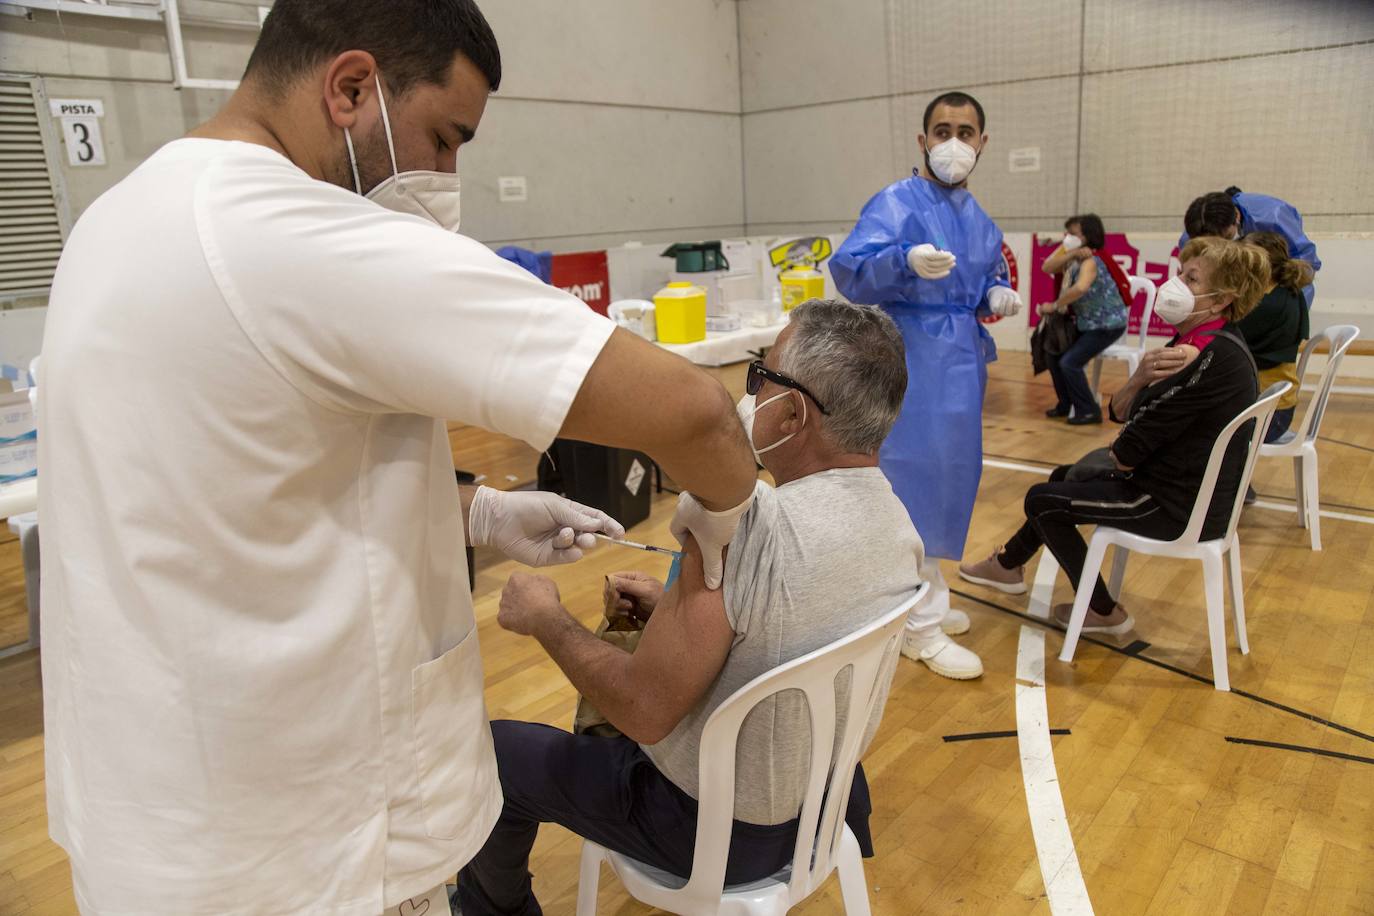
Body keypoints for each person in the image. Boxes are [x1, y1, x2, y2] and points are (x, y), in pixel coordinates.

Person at [37, 3, 757, 914]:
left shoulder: (115, 221)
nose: (447, 175)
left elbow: (233, 481)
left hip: (156, 819)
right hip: (307, 842)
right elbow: (697, 413)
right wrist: (725, 519)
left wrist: (480, 511)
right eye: (444, 138)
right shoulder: (298, 235)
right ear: (351, 89)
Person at [456, 301, 922, 915]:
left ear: (792, 412)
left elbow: (644, 711)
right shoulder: (899, 527)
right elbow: (794, 627)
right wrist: (677, 612)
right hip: (825, 807)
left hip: (716, 833)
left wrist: (546, 618)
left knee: (493, 753)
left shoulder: (743, 527)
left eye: (762, 376)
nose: (751, 393)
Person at [958, 237, 1267, 631]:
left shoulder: (1203, 358)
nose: (1175, 284)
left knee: (1043, 500)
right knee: (1062, 477)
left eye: (1191, 279)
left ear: (1221, 299)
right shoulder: (1205, 342)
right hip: (1182, 489)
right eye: (1180, 273)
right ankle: (1006, 566)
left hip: (1176, 507)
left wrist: (1126, 432)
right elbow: (1119, 412)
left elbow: (1125, 453)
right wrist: (1138, 379)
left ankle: (1102, 611)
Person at [830, 90, 1022, 681]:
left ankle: (926, 594)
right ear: (923, 140)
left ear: (983, 142)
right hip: (909, 357)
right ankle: (916, 624)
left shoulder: (980, 220)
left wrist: (993, 294)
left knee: (948, 481)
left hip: (960, 364)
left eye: (965, 132)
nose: (953, 144)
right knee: (909, 483)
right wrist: (902, 261)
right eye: (942, 131)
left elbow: (985, 275)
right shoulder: (897, 203)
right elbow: (849, 269)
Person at [1039, 214, 1129, 425]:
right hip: (1088, 324)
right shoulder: (1074, 258)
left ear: (1088, 236)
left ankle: (1089, 410)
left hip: (1106, 325)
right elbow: (1047, 267)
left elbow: (1080, 288)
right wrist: (1070, 251)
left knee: (1070, 363)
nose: (1067, 237)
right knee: (1053, 355)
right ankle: (1066, 404)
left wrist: (1055, 305)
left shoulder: (1091, 260)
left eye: (1073, 233)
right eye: (1067, 233)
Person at [1181, 187, 1320, 307]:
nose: (1223, 246)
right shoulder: (1192, 236)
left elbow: (1306, 264)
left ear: (1236, 216)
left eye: (1226, 238)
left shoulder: (1273, 218)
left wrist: (1293, 310)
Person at [1236, 231, 1312, 444]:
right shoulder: (1282, 291)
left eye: (1244, 258)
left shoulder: (1267, 305)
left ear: (1262, 264)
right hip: (1275, 409)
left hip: (1269, 416)